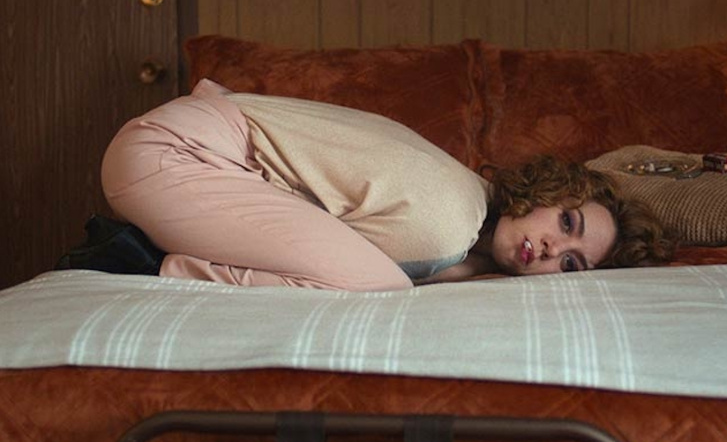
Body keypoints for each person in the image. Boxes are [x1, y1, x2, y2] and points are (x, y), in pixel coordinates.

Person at [57, 80, 675, 291]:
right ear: (546, 192)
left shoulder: (470, 203)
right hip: (176, 154)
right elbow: (363, 268)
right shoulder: (447, 219)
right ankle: (139, 261)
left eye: (571, 265)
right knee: (377, 285)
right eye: (567, 223)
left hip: (191, 145)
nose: (552, 251)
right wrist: (458, 271)